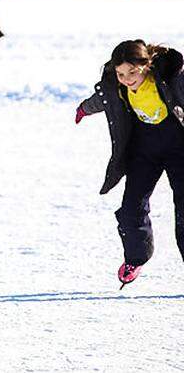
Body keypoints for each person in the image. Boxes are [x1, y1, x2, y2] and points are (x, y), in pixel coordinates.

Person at [76, 41, 184, 289]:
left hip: (179, 150)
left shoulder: (172, 79)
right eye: (120, 74)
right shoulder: (116, 86)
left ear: (146, 66)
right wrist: (83, 109)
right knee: (130, 210)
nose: (126, 79)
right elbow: (101, 99)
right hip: (145, 152)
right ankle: (136, 258)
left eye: (132, 72)